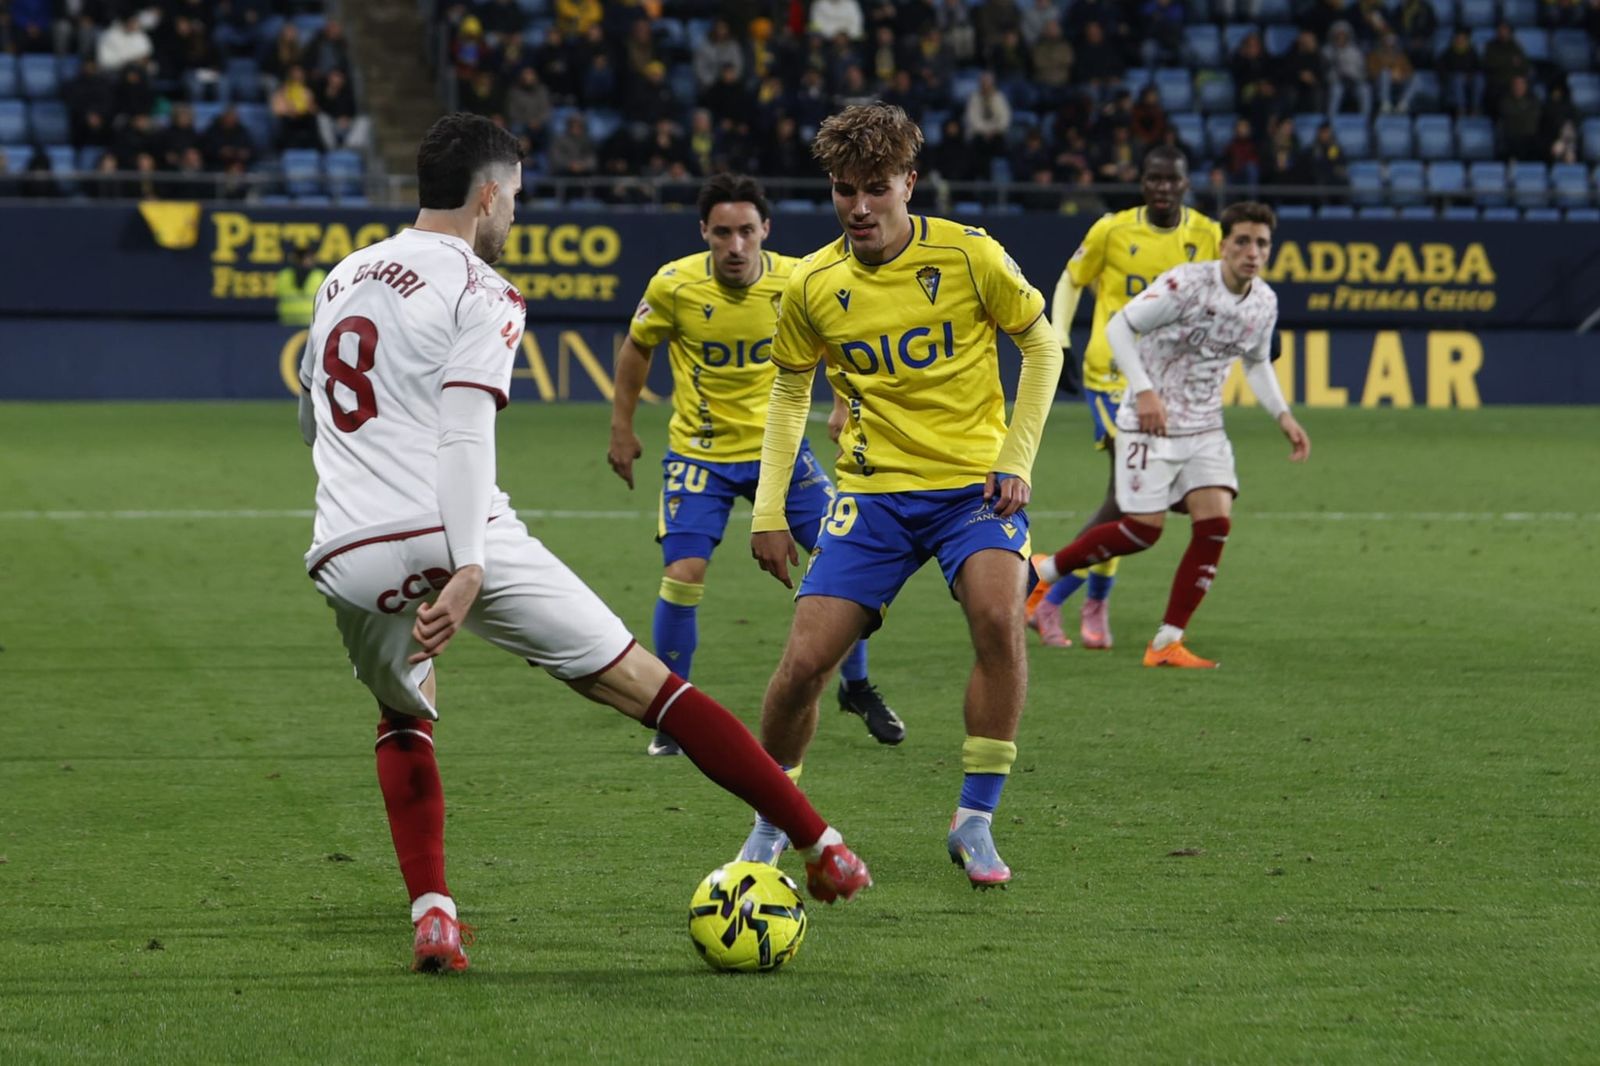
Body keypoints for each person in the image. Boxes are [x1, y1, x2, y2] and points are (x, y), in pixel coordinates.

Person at [297, 114, 870, 974]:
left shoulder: (342, 276)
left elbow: (313, 416)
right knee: (650, 688)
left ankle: (435, 917)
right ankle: (821, 845)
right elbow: (462, 436)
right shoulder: (483, 289)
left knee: (403, 714)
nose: (515, 216)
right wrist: (469, 566)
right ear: (489, 194)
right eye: (517, 199)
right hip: (456, 532)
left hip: (346, 552)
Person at [736, 103, 1062, 888]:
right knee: (804, 665)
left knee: (996, 617)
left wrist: (1017, 459)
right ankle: (774, 820)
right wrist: (770, 508)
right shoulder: (814, 282)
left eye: (875, 188)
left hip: (973, 489)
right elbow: (787, 391)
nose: (857, 207)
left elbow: (1042, 344)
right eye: (843, 190)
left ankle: (974, 821)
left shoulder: (970, 255)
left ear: (908, 183)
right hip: (873, 494)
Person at [608, 173, 905, 756]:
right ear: (705, 234)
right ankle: (673, 711)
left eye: (747, 231)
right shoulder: (673, 285)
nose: (736, 245)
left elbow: (846, 339)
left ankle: (856, 684)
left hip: (783, 452)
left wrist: (844, 404)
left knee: (839, 559)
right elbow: (638, 345)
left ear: (766, 230)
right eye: (722, 233)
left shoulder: (799, 279)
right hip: (701, 452)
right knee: (684, 572)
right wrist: (622, 427)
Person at [1031, 202, 1310, 670]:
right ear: (1223, 245)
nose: (1252, 251)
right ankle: (1046, 571)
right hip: (1149, 420)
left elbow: (1258, 362)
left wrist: (1283, 416)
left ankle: (1166, 641)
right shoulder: (1187, 284)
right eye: (1242, 240)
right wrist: (1144, 393)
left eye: (1262, 243)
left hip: (1203, 426)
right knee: (1142, 531)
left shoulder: (1264, 302)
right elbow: (1121, 326)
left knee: (1216, 524)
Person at [1028, 146, 1221, 650]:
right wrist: (1061, 337)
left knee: (1133, 499)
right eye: (1153, 179)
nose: (1162, 188)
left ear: (1184, 184)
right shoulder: (1112, 230)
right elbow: (1072, 281)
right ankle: (1054, 596)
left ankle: (1072, 595)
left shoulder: (1206, 235)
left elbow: (1225, 291)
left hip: (1168, 383)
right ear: (1142, 183)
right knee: (1128, 495)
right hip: (1112, 375)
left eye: (1170, 180)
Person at [277, 242, 325, 328]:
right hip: (289, 322)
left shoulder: (284, 275)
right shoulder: (319, 275)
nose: (309, 260)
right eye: (306, 257)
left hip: (307, 322)